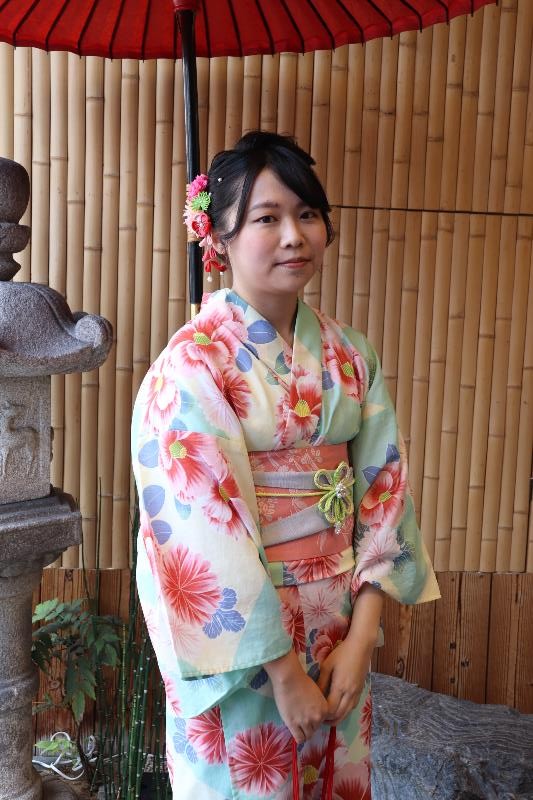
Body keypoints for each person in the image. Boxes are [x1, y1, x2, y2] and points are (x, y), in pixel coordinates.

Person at [131, 131, 440, 800]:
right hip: (246, 656)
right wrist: (281, 672)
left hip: (339, 631)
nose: (295, 236)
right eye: (267, 218)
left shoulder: (351, 355)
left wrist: (361, 641)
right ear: (218, 236)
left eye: (307, 214)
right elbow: (197, 531)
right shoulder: (191, 367)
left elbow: (382, 493)